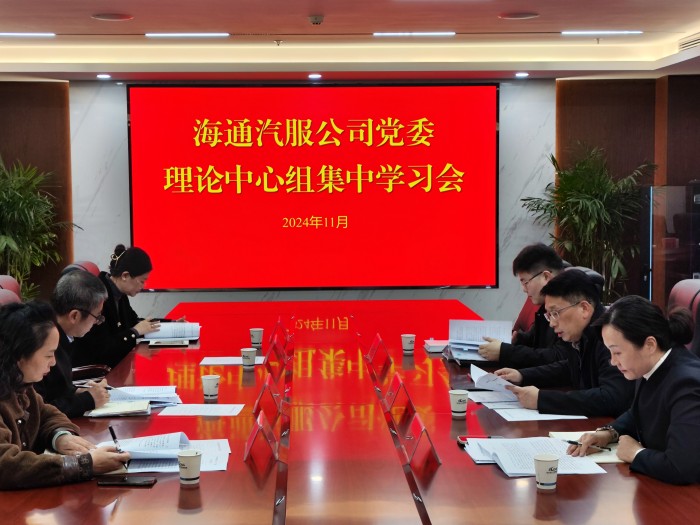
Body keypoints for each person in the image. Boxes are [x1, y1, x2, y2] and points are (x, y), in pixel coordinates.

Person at [568, 295, 700, 485]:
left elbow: (681, 467)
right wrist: (609, 433)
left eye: (617, 352)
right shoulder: (651, 365)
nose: (613, 362)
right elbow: (639, 411)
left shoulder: (687, 384)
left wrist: (636, 453)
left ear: (649, 345)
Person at [0, 301, 130, 490]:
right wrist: (84, 465)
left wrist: (61, 437)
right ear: (19, 355)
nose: (53, 362)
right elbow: (5, 466)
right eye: (48, 355)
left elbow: (47, 414)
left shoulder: (20, 384)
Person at [496, 269, 634, 417]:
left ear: (584, 309)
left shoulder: (610, 338)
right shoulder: (580, 334)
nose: (552, 323)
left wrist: (542, 399)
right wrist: (522, 375)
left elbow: (612, 397)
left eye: (556, 313)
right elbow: (569, 369)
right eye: (549, 315)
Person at [478, 243, 569, 367]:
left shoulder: (569, 305)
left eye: (525, 282)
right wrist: (517, 339)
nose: (524, 289)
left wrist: (506, 352)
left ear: (546, 277)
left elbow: (559, 356)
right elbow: (536, 338)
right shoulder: (547, 303)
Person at [35, 270, 111, 418]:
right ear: (74, 315)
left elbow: (57, 389)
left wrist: (78, 391)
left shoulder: (60, 333)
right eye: (97, 316)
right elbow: (38, 411)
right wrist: (87, 400)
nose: (97, 322)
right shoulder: (40, 343)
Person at [71, 244, 161, 368]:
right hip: (97, 370)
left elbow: (134, 321)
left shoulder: (119, 293)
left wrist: (173, 324)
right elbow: (103, 350)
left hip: (115, 364)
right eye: (142, 281)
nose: (144, 285)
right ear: (125, 276)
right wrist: (135, 331)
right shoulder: (98, 297)